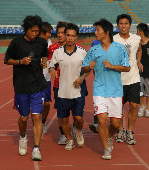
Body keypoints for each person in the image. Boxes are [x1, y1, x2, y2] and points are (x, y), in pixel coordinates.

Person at [83, 19, 130, 160]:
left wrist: (113, 66)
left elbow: (127, 67)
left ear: (106, 32)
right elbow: (84, 67)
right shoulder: (93, 49)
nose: (95, 33)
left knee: (115, 124)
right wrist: (89, 66)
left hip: (115, 90)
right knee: (102, 121)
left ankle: (109, 136)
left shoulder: (120, 48)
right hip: (99, 90)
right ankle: (107, 149)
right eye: (95, 30)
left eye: (98, 30)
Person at [4, 15, 48, 161]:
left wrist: (44, 63)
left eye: (37, 31)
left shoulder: (42, 42)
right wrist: (20, 61)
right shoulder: (16, 43)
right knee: (24, 118)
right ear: (26, 29)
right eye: (32, 31)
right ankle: (23, 137)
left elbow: (45, 56)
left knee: (37, 117)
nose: (35, 34)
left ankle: (36, 148)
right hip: (21, 86)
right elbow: (7, 60)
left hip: (38, 85)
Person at [49, 23, 89, 151]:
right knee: (64, 119)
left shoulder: (83, 52)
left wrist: (81, 78)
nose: (70, 38)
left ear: (77, 37)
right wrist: (52, 69)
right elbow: (52, 65)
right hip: (63, 91)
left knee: (78, 118)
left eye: (73, 36)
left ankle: (77, 130)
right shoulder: (57, 52)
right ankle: (70, 139)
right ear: (65, 36)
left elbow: (88, 69)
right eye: (68, 35)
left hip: (78, 90)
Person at [113, 14, 142, 145]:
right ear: (117, 25)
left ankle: (130, 131)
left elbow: (139, 49)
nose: (123, 26)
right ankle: (120, 130)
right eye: (121, 24)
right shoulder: (113, 39)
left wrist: (138, 61)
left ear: (130, 25)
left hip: (133, 78)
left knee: (134, 105)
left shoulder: (137, 38)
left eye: (126, 24)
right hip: (118, 79)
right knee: (118, 107)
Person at [39, 22, 53, 133]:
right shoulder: (34, 43)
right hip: (34, 79)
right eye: (48, 33)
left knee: (47, 104)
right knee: (35, 103)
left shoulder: (49, 43)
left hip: (46, 78)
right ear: (42, 33)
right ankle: (37, 122)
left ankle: (43, 121)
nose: (50, 35)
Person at [88, 39, 101, 134]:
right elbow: (92, 59)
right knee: (98, 100)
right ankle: (96, 122)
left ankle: (116, 125)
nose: (96, 32)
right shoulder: (95, 42)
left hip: (112, 77)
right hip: (99, 78)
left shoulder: (114, 41)